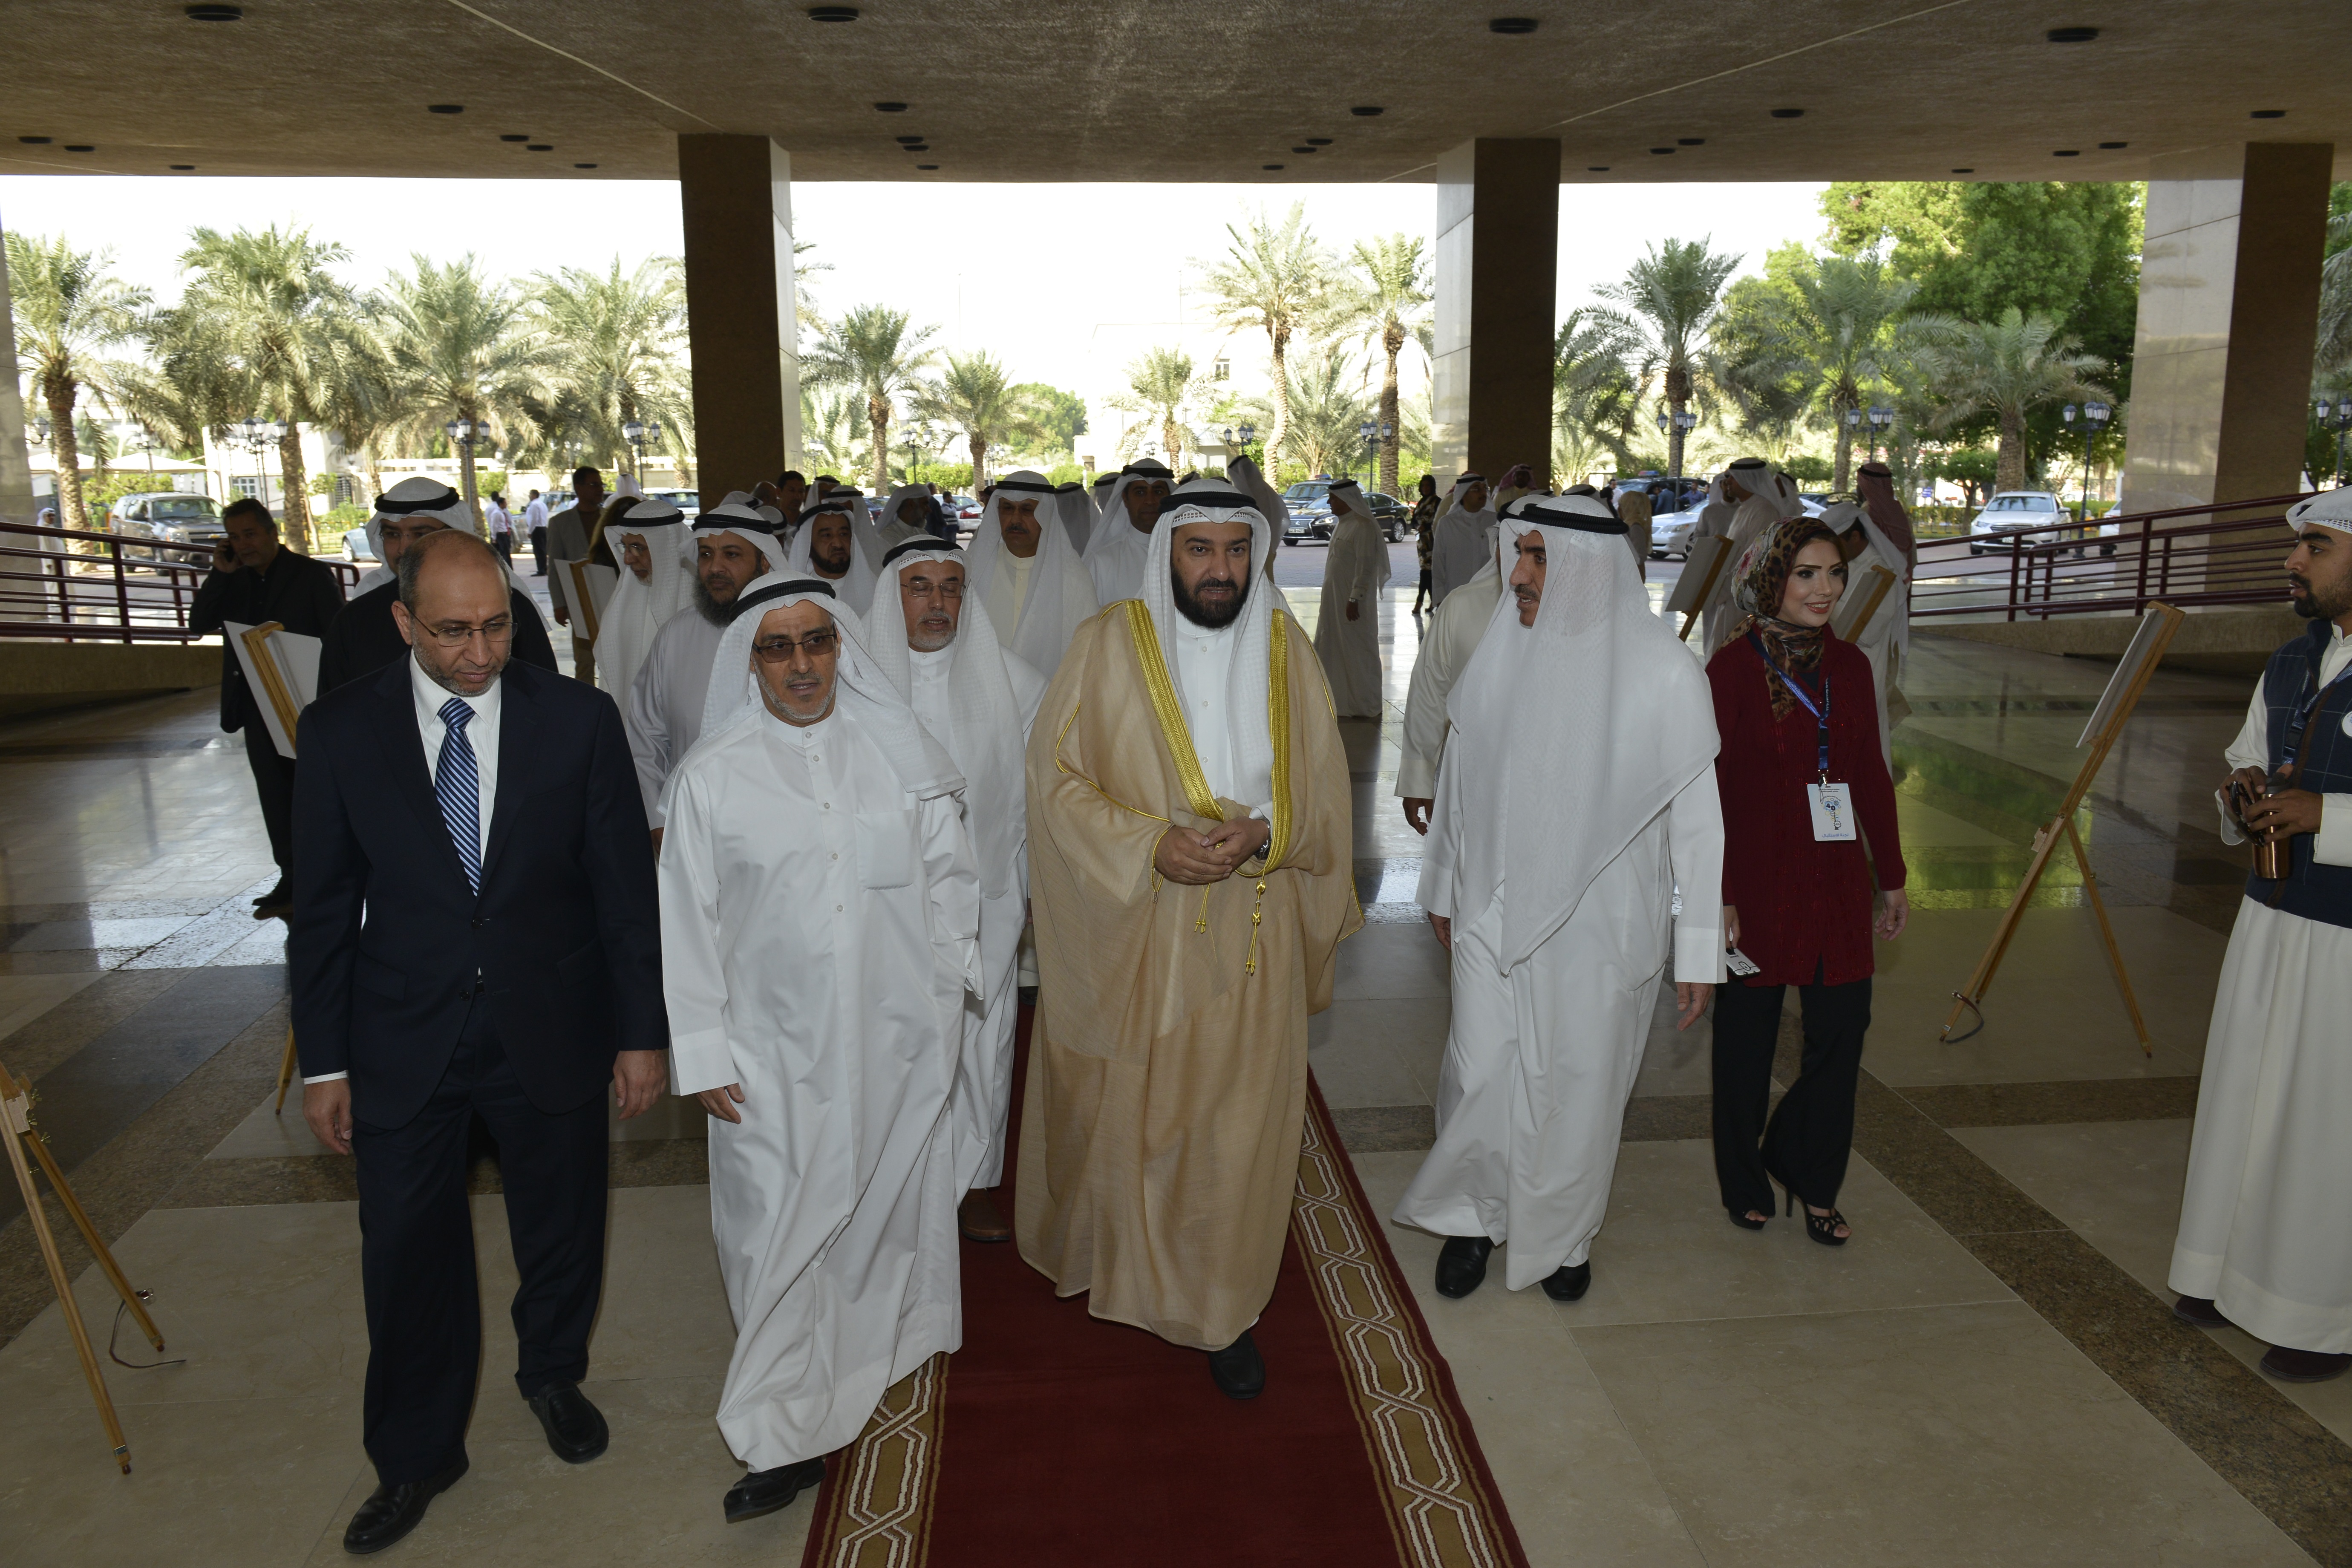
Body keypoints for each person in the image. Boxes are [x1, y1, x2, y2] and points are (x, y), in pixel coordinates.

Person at [290, 529, 665, 1554]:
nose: (480, 652)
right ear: (403, 621)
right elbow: (321, 913)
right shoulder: (339, 731)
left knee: (562, 1221)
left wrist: (641, 1033)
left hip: (552, 1018)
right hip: (402, 1033)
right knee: (406, 1250)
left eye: (496, 625)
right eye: (453, 630)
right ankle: (416, 1453)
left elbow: (623, 894)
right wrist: (325, 1061)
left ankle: (553, 1374)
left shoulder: (577, 721)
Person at [1020, 478, 1359, 1398]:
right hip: (1141, 918)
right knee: (1136, 1109)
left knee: (1239, 1123)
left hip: (1255, 920)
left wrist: (1269, 834)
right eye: (1200, 549)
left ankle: (1221, 1307)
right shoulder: (1105, 645)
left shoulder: (1287, 649)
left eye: (1237, 550)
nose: (1221, 570)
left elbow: (1327, 789)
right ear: (1167, 551)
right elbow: (1054, 779)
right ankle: (1129, 1264)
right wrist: (1149, 845)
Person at [658, 576, 977, 1522]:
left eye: (817, 642)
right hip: (769, 1056)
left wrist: (947, 993)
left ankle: (856, 1364)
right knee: (770, 1235)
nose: (801, 665)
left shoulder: (900, 752)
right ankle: (775, 1427)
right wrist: (703, 1050)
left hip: (894, 1039)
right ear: (750, 662)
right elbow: (686, 922)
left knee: (876, 1217)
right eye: (777, 647)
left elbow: (950, 880)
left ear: (842, 648)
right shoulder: (712, 776)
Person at [1393, 493, 1723, 1302]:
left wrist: (1700, 947)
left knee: (1579, 1084)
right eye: (1520, 554)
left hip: (1601, 923)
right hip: (1492, 906)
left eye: (1540, 558)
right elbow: (1461, 780)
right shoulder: (1501, 653)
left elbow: (1699, 821)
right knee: (1480, 1072)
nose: (1521, 576)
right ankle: (1473, 1218)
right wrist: (1442, 884)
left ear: (1589, 568)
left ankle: (1565, 1236)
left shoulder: (1665, 672)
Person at [2171, 490, 2352, 1382]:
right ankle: (2222, 1272)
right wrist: (2241, 794)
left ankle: (2319, 1315)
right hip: (2270, 919)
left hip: (2344, 940)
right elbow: (2247, 754)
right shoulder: (2292, 658)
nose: (2294, 561)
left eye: (2316, 547)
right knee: (2247, 1098)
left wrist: (2329, 816)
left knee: (2323, 1121)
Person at [1706, 517, 1907, 1242]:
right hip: (1756, 881)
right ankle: (1743, 1179)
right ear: (1771, 581)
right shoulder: (1730, 670)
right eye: (1806, 574)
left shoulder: (1851, 667)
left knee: (1842, 1033)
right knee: (1746, 1044)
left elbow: (1871, 774)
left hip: (1835, 879)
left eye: (1835, 574)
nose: (1826, 590)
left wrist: (1892, 875)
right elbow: (1708, 789)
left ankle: (1810, 1170)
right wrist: (1721, 892)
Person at [868, 537, 1049, 1241]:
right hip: (888, 902)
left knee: (984, 1041)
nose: (938, 602)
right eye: (921, 586)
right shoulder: (855, 678)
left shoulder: (1016, 682)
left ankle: (977, 1180)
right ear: (893, 595)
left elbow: (1037, 797)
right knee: (893, 1045)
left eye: (951, 587)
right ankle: (899, 1179)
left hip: (987, 898)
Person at [188, 497, 346, 919]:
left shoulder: (310, 574)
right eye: (235, 537)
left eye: (250, 534)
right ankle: (290, 877)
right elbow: (198, 623)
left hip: (304, 700)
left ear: (272, 532)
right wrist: (219, 575)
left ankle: (322, 877)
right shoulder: (233, 579)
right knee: (274, 796)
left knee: (311, 795)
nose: (244, 545)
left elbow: (336, 635)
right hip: (257, 704)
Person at [626, 502, 785, 835]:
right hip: (691, 821)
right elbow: (645, 735)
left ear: (765, 562)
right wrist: (658, 819)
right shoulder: (676, 635)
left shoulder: (796, 634)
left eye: (731, 555)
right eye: (706, 555)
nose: (715, 568)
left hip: (782, 821)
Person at [317, 479, 555, 695]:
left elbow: (546, 696)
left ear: (454, 533)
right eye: (393, 535)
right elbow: (337, 708)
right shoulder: (356, 618)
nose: (403, 549)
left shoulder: (509, 607)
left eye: (421, 534)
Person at [1396, 498, 1511, 835]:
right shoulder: (1461, 606)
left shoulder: (1585, 623)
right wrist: (1418, 779)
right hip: (1470, 783)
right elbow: (1430, 695)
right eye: (1512, 547)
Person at [960, 470, 1099, 678]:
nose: (1015, 519)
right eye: (1008, 508)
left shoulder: (1073, 577)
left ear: (1045, 514)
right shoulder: (973, 566)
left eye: (1027, 510)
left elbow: (1086, 651)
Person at [1815, 497, 1912, 765]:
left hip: (1863, 671)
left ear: (1855, 537)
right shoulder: (1843, 567)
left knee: (1864, 750)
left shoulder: (1881, 573)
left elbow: (1866, 633)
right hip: (1833, 670)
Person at [1689, 458, 1804, 654]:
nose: (1728, 483)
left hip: (1746, 599)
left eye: (1732, 478)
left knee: (1735, 654)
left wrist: (1721, 590)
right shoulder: (1746, 507)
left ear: (1747, 480)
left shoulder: (1763, 510)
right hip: (1730, 593)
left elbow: (1754, 562)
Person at [595, 496, 694, 701]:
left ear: (666, 548)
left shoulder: (699, 603)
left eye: (638, 548)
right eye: (625, 547)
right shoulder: (624, 603)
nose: (627, 559)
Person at [1314, 479, 1390, 720]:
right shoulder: (1343, 524)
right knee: (1334, 646)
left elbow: (1365, 567)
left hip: (1352, 603)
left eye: (1333, 498)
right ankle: (1339, 701)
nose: (1329, 502)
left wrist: (1355, 598)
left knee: (1357, 650)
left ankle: (1364, 704)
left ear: (1346, 500)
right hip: (1334, 599)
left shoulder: (1363, 526)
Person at [1082, 459, 1174, 605]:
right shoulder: (1101, 561)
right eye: (1140, 493)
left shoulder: (1188, 553)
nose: (1150, 501)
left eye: (1158, 492)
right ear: (1125, 499)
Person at [548, 466, 609, 681]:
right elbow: (555, 566)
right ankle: (587, 700)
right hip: (580, 600)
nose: (600, 489)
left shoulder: (610, 519)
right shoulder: (560, 523)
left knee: (613, 659)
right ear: (579, 488)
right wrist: (559, 604)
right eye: (594, 485)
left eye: (601, 485)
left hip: (611, 595)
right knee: (585, 661)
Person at [786, 489, 878, 614]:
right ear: (808, 545)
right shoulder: (795, 597)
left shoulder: (876, 592)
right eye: (827, 536)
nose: (838, 544)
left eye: (843, 534)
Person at [1427, 473, 1496, 608]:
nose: (1483, 493)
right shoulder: (1447, 524)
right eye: (1477, 489)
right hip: (1455, 596)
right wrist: (1440, 598)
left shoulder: (1495, 521)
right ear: (1463, 494)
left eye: (1484, 488)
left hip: (1488, 597)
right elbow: (1439, 564)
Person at [1408, 474, 1440, 613]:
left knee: (1426, 572)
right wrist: (1418, 526)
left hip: (1432, 541)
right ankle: (1434, 600)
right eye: (1423, 486)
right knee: (1427, 571)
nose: (1425, 488)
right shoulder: (1421, 502)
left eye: (1428, 485)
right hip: (1422, 543)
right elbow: (1413, 521)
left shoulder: (1437, 502)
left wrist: (1426, 527)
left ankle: (1420, 601)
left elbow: (1438, 520)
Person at [525, 488, 550, 577]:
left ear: (534, 495)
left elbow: (534, 519)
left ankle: (541, 570)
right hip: (543, 528)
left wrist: (530, 531)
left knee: (538, 550)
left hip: (537, 529)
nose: (529, 496)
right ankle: (544, 568)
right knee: (543, 549)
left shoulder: (534, 505)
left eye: (531, 494)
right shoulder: (543, 504)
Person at [485, 492, 513, 563]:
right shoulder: (497, 512)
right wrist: (494, 537)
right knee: (503, 553)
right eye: (505, 503)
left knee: (504, 553)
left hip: (502, 533)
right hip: (500, 534)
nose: (506, 504)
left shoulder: (492, 509)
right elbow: (494, 525)